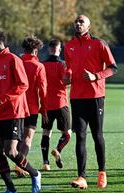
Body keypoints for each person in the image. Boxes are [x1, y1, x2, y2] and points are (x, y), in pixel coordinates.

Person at [0, 28, 41, 193]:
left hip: (14, 112)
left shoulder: (14, 59)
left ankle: (34, 173)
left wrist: (2, 99)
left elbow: (23, 85)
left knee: (11, 151)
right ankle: (11, 190)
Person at [64, 15, 117, 189]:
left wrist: (96, 76)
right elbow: (69, 68)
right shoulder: (69, 46)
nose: (78, 24)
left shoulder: (99, 44)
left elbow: (112, 68)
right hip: (77, 97)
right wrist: (67, 77)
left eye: (82, 22)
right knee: (80, 136)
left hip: (95, 96)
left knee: (97, 135)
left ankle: (102, 172)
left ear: (89, 25)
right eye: (76, 22)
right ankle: (82, 177)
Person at [14, 35, 47, 177]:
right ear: (35, 51)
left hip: (16, 107)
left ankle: (17, 163)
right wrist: (44, 109)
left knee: (18, 138)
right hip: (32, 108)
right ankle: (19, 165)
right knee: (28, 138)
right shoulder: (39, 66)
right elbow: (43, 90)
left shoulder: (17, 63)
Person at [40, 39, 71, 171]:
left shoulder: (42, 65)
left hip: (47, 104)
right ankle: (57, 149)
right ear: (59, 49)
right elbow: (66, 82)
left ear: (48, 49)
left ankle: (46, 163)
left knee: (46, 132)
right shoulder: (63, 64)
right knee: (67, 133)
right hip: (61, 102)